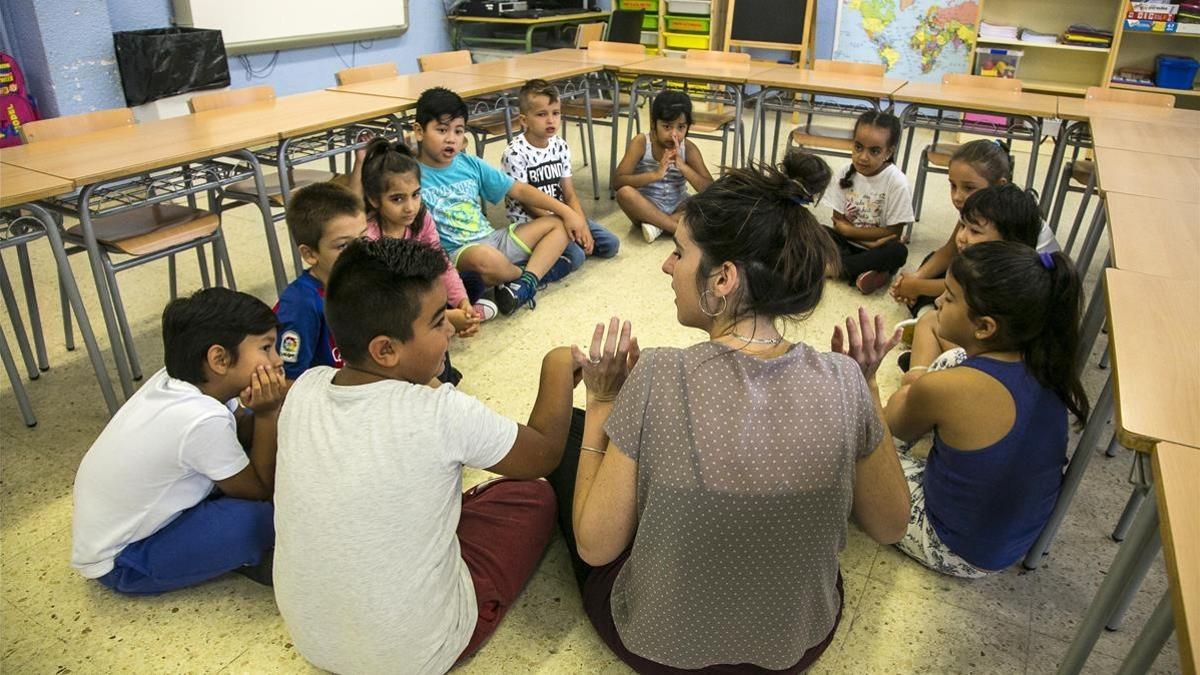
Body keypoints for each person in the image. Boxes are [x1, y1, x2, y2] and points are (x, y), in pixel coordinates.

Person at [547, 161, 911, 673]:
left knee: (572, 441)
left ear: (723, 278)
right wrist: (868, 386)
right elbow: (891, 524)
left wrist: (605, 401)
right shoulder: (845, 379)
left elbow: (595, 546)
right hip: (795, 645)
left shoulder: (658, 373)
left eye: (679, 252)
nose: (667, 267)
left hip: (659, 647)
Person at [273, 237, 580, 674]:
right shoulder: (441, 413)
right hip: (417, 653)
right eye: (438, 323)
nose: (450, 330)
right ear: (385, 349)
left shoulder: (304, 389)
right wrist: (557, 364)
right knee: (532, 497)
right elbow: (543, 454)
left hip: (313, 640)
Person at [884, 242, 1088, 578]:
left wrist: (877, 380)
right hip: (1004, 541)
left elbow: (892, 424)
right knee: (949, 363)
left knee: (843, 447)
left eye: (948, 298)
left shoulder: (947, 388)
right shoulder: (1044, 364)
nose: (937, 302)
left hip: (952, 545)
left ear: (985, 327)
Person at [70, 288, 285, 594]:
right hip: (126, 560)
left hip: (149, 523)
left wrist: (268, 413)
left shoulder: (182, 382)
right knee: (263, 516)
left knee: (270, 453)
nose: (277, 361)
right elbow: (260, 491)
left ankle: (213, 546)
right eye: (266, 348)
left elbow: (239, 429)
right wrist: (267, 413)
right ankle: (235, 554)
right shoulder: (200, 419)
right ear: (219, 359)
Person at [413, 86, 584, 315]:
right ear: (419, 131)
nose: (451, 139)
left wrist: (567, 212)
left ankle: (523, 283)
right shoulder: (411, 173)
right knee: (483, 258)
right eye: (442, 130)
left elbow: (520, 190)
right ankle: (527, 276)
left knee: (558, 224)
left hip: (493, 239)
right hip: (461, 253)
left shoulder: (469, 164)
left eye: (458, 131)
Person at [889, 139, 1060, 318]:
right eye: (953, 185)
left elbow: (980, 284)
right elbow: (949, 251)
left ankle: (930, 316)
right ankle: (930, 314)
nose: (957, 196)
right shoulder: (979, 207)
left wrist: (917, 287)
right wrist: (916, 278)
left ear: (999, 185)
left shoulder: (1011, 220)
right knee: (935, 261)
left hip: (1011, 300)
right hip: (984, 280)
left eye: (969, 188)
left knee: (954, 286)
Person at [896, 184, 1044, 385]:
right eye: (963, 226)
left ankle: (918, 380)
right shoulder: (988, 264)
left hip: (987, 366)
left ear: (1009, 241)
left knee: (931, 320)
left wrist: (917, 287)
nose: (962, 236)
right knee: (930, 319)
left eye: (974, 231)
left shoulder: (1004, 283)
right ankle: (921, 370)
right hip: (979, 348)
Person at [358, 137, 495, 337]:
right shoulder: (368, 236)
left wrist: (463, 303)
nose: (410, 207)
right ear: (374, 199)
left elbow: (441, 263)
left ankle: (460, 315)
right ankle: (444, 321)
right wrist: (446, 316)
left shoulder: (421, 218)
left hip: (424, 292)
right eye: (397, 199)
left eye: (415, 194)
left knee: (472, 281)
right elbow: (383, 299)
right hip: (394, 305)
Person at [501, 78, 619, 272]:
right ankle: (525, 270)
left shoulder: (560, 145)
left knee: (610, 244)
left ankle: (563, 248)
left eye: (555, 113)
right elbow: (527, 203)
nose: (550, 120)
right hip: (533, 225)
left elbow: (569, 194)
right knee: (577, 255)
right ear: (524, 120)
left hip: (563, 216)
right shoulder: (515, 153)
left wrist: (580, 223)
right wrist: (567, 224)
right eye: (541, 114)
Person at [274, 181, 368, 381]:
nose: (361, 252)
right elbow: (288, 383)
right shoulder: (301, 305)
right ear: (309, 254)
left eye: (364, 239)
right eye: (343, 246)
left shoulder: (363, 280)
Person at [819, 109, 914, 294]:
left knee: (898, 251)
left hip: (879, 250)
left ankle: (836, 269)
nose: (863, 157)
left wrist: (851, 231)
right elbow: (838, 223)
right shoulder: (844, 172)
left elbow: (894, 233)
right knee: (818, 231)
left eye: (874, 151)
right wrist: (867, 242)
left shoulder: (897, 182)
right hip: (855, 244)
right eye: (858, 147)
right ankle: (865, 273)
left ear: (888, 152)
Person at [613, 89, 714, 243]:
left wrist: (683, 167)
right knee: (624, 193)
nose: (674, 134)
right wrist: (655, 175)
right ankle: (677, 228)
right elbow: (618, 181)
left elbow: (711, 189)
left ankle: (657, 227)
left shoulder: (689, 148)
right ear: (654, 125)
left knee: (709, 202)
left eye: (681, 127)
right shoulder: (641, 143)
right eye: (667, 127)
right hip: (646, 208)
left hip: (678, 206)